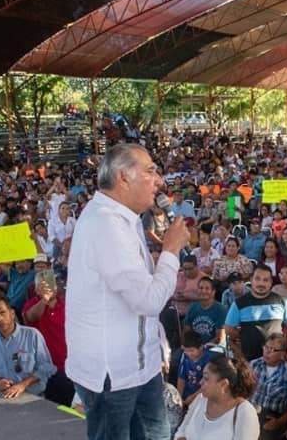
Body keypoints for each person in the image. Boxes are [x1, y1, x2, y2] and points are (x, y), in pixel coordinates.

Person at [66, 144, 189, 440]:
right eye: (150, 171)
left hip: (139, 365)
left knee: (155, 434)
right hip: (113, 373)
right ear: (123, 178)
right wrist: (171, 250)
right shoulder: (106, 224)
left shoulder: (123, 218)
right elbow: (148, 300)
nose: (159, 180)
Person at [0, 294, 56, 398]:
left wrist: (22, 385)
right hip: (3, 396)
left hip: (33, 397)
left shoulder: (32, 335)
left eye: (2, 313)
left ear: (12, 313)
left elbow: (47, 367)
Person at [174, 354, 260, 440]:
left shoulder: (245, 413)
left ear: (224, 384)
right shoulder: (200, 399)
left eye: (206, 378)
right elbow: (181, 432)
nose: (200, 382)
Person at [22, 268, 74, 406]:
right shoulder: (31, 305)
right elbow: (31, 317)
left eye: (52, 283)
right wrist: (44, 300)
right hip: (46, 369)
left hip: (68, 366)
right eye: (44, 285)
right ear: (37, 289)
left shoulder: (67, 305)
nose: (50, 287)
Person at [225, 264, 287, 361]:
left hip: (276, 359)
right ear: (251, 280)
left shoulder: (281, 301)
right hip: (249, 359)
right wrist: (246, 335)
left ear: (271, 282)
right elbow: (229, 329)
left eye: (265, 280)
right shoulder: (239, 303)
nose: (261, 283)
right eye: (257, 279)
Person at [250, 333, 287, 440]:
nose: (267, 352)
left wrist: (278, 422)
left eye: (273, 350)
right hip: (250, 411)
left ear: (283, 354)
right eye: (266, 347)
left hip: (272, 416)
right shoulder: (254, 365)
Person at [184, 277, 228, 345]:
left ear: (213, 292)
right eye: (201, 288)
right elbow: (186, 332)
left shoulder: (221, 309)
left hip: (214, 349)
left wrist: (203, 348)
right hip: (194, 348)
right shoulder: (192, 307)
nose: (203, 291)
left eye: (207, 288)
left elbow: (219, 338)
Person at [177, 330, 212, 407]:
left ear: (201, 347)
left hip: (203, 396)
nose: (189, 353)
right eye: (186, 351)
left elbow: (208, 384)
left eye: (192, 350)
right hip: (187, 396)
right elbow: (181, 379)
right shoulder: (185, 358)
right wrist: (178, 398)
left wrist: (193, 397)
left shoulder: (209, 360)